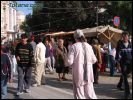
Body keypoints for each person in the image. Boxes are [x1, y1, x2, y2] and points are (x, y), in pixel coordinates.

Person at [67, 29, 97, 99]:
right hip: (89, 74)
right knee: (91, 94)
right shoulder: (89, 46)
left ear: (75, 38)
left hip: (78, 74)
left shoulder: (74, 46)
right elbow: (94, 60)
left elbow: (70, 62)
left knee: (80, 95)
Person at [115, 31, 132, 99]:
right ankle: (127, 92)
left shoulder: (131, 44)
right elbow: (118, 55)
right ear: (122, 37)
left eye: (126, 36)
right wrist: (118, 65)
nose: (125, 37)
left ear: (128, 37)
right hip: (123, 64)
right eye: (124, 36)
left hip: (130, 63)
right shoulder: (120, 45)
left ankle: (119, 85)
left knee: (125, 74)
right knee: (125, 77)